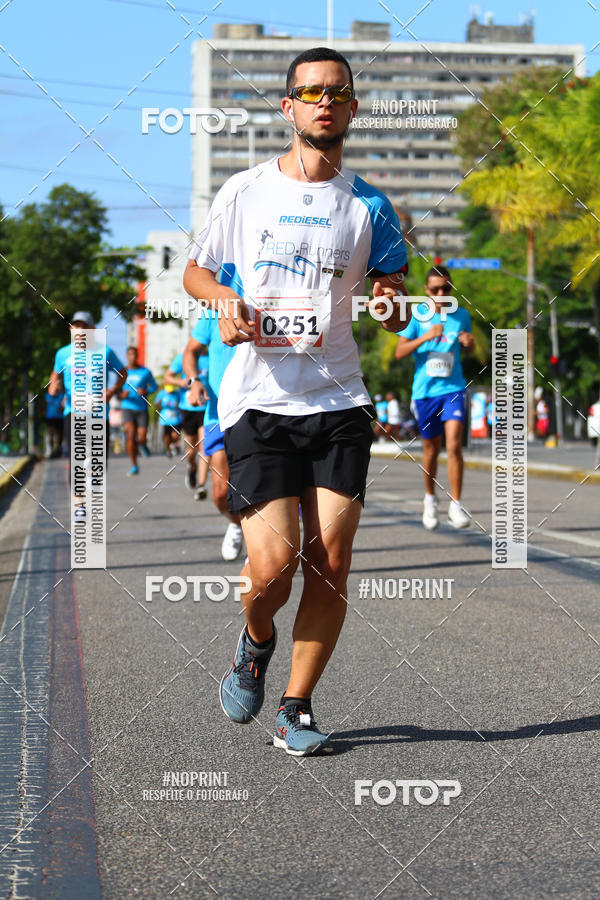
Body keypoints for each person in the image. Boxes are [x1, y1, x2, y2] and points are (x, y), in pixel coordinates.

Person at [183, 47, 410, 755]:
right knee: (274, 568)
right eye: (310, 92)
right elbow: (194, 271)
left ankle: (297, 707)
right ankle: (255, 642)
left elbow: (394, 296)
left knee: (332, 561)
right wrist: (223, 299)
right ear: (289, 108)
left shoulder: (371, 204)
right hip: (258, 402)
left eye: (337, 92)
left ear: (351, 107)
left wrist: (391, 301)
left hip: (339, 399)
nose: (324, 102)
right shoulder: (245, 191)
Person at [395, 265, 473, 531]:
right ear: (427, 291)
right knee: (431, 449)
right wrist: (426, 336)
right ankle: (430, 499)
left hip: (453, 389)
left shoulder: (461, 316)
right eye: (436, 289)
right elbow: (399, 352)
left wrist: (469, 343)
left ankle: (456, 504)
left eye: (446, 288)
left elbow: (470, 348)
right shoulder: (417, 316)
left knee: (453, 445)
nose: (441, 293)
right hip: (425, 393)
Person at [183, 310, 243, 560]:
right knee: (220, 493)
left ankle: (260, 540)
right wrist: (193, 380)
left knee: (261, 488)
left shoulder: (267, 298)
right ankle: (237, 524)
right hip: (218, 414)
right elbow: (190, 352)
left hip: (261, 410)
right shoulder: (214, 310)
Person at [49, 312, 126, 477]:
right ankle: (78, 499)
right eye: (77, 326)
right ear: (71, 330)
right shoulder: (63, 354)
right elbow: (55, 374)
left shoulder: (105, 352)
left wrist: (111, 392)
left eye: (85, 327)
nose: (80, 330)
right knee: (76, 459)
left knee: (99, 463)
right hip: (73, 411)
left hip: (99, 412)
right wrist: (53, 386)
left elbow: (122, 373)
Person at [165, 351, 209, 497]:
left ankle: (201, 486)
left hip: (207, 408)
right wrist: (181, 382)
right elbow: (168, 377)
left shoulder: (213, 356)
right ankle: (191, 467)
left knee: (204, 446)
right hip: (188, 407)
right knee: (191, 449)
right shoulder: (183, 357)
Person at [120, 346, 158, 475]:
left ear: (137, 356)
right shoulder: (122, 372)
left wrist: (146, 391)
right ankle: (134, 465)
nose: (132, 357)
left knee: (141, 438)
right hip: (127, 408)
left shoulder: (145, 372)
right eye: (130, 354)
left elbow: (154, 386)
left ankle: (142, 445)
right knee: (130, 435)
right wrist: (121, 395)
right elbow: (116, 391)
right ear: (127, 356)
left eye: (134, 354)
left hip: (142, 408)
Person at [154, 383, 183, 457]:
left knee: (175, 435)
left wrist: (179, 404)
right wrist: (158, 403)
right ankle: (168, 449)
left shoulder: (177, 393)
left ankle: (174, 445)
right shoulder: (161, 393)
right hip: (165, 419)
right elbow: (156, 403)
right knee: (166, 435)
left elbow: (182, 403)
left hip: (176, 418)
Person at [44, 388, 65, 457]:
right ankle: (51, 451)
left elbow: (64, 405)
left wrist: (61, 408)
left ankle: (58, 450)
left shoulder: (61, 396)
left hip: (59, 418)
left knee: (59, 435)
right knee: (51, 435)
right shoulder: (47, 396)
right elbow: (43, 406)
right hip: (50, 418)